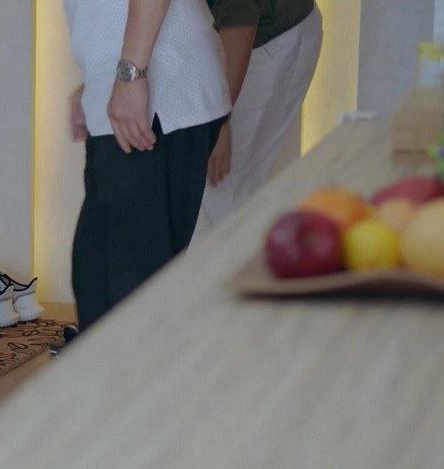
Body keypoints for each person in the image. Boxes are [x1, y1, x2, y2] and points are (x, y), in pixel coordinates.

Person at [64, 0, 231, 334]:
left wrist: (130, 75)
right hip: (132, 90)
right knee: (97, 286)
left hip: (160, 99)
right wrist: (96, 82)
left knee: (127, 304)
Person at [196, 0, 322, 236]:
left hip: (265, 39)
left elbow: (238, 17)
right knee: (233, 184)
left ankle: (232, 255)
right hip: (240, 30)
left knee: (222, 186)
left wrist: (219, 121)